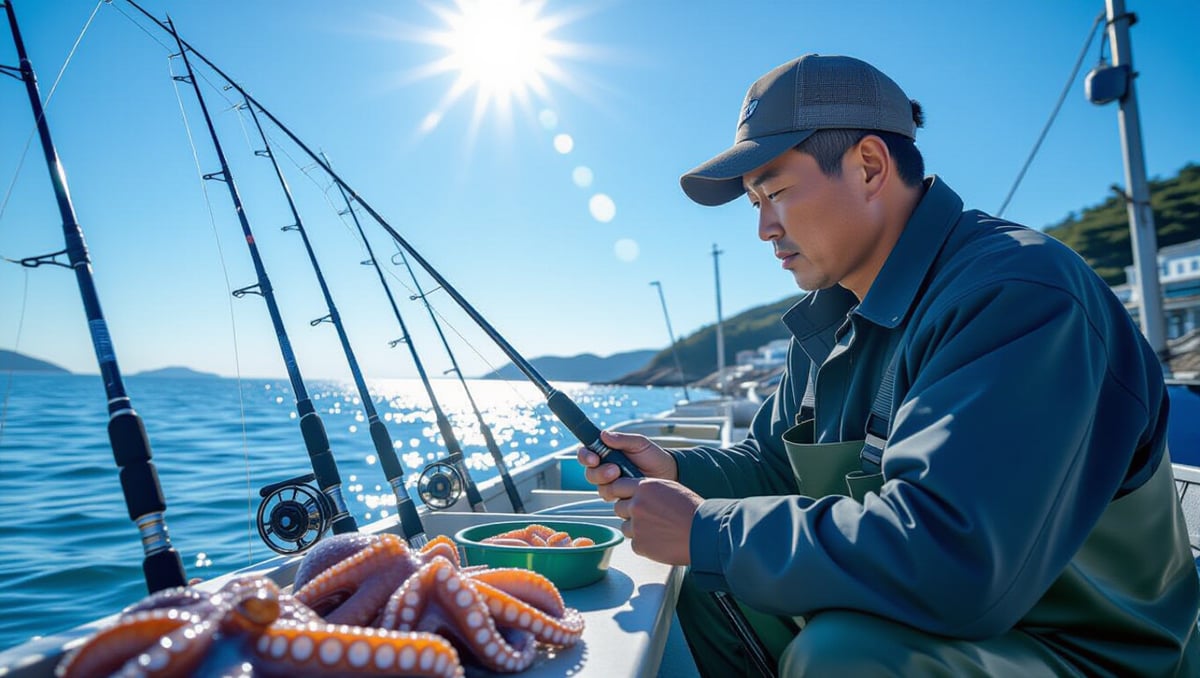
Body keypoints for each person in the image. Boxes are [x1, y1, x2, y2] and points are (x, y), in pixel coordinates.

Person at [578, 53, 1200, 676]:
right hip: (951, 627)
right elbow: (774, 467)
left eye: (776, 192)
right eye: (753, 203)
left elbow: (956, 557)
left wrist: (708, 531)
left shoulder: (1019, 293)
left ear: (870, 167)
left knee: (843, 655)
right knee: (704, 580)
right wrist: (679, 467)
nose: (765, 227)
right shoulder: (831, 318)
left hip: (1086, 652)